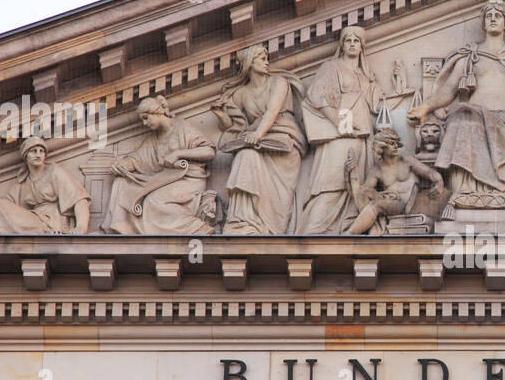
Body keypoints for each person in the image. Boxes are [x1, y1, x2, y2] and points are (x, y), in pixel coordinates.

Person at [407, 0, 505, 199]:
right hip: (477, 119)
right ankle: (466, 195)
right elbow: (449, 90)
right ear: (483, 24)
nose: (493, 19)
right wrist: (426, 106)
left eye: (498, 15)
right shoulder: (470, 56)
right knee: (462, 119)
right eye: (489, 16)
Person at [297, 26, 384, 234]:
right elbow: (317, 95)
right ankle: (314, 231)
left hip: (361, 136)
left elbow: (376, 107)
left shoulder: (365, 75)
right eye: (348, 40)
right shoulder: (332, 66)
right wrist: (338, 122)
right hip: (340, 136)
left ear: (362, 46)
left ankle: (348, 226)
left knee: (356, 184)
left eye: (357, 40)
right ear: (342, 45)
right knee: (333, 181)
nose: (353, 44)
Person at [212, 45, 306, 235]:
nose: (267, 63)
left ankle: (271, 225)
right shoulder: (240, 94)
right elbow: (234, 126)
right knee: (245, 157)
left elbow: (272, 111)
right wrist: (221, 115)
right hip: (255, 143)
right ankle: (244, 221)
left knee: (249, 156)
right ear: (249, 64)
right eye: (261, 59)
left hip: (282, 140)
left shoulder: (278, 82)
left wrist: (258, 134)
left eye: (266, 58)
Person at [104, 95, 216, 235]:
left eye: (146, 118)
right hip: (165, 180)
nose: (145, 123)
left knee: (154, 201)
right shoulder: (154, 139)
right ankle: (122, 228)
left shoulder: (182, 127)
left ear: (157, 112)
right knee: (122, 183)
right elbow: (139, 159)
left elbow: (209, 151)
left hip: (189, 179)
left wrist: (179, 153)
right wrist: (123, 165)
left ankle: (196, 227)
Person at [0, 135, 90, 233]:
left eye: (41, 151)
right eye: (33, 151)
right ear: (26, 156)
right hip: (33, 220)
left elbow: (79, 199)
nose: (38, 155)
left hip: (50, 223)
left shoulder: (54, 171)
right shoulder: (22, 183)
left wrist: (81, 228)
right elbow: (6, 204)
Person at [344, 130, 442, 234]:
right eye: (391, 144)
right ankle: (373, 229)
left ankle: (350, 234)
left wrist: (439, 181)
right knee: (364, 192)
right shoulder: (377, 170)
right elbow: (359, 196)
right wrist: (347, 174)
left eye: (396, 143)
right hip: (388, 202)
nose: (396, 146)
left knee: (377, 205)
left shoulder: (406, 160)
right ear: (381, 147)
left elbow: (430, 172)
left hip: (406, 205)